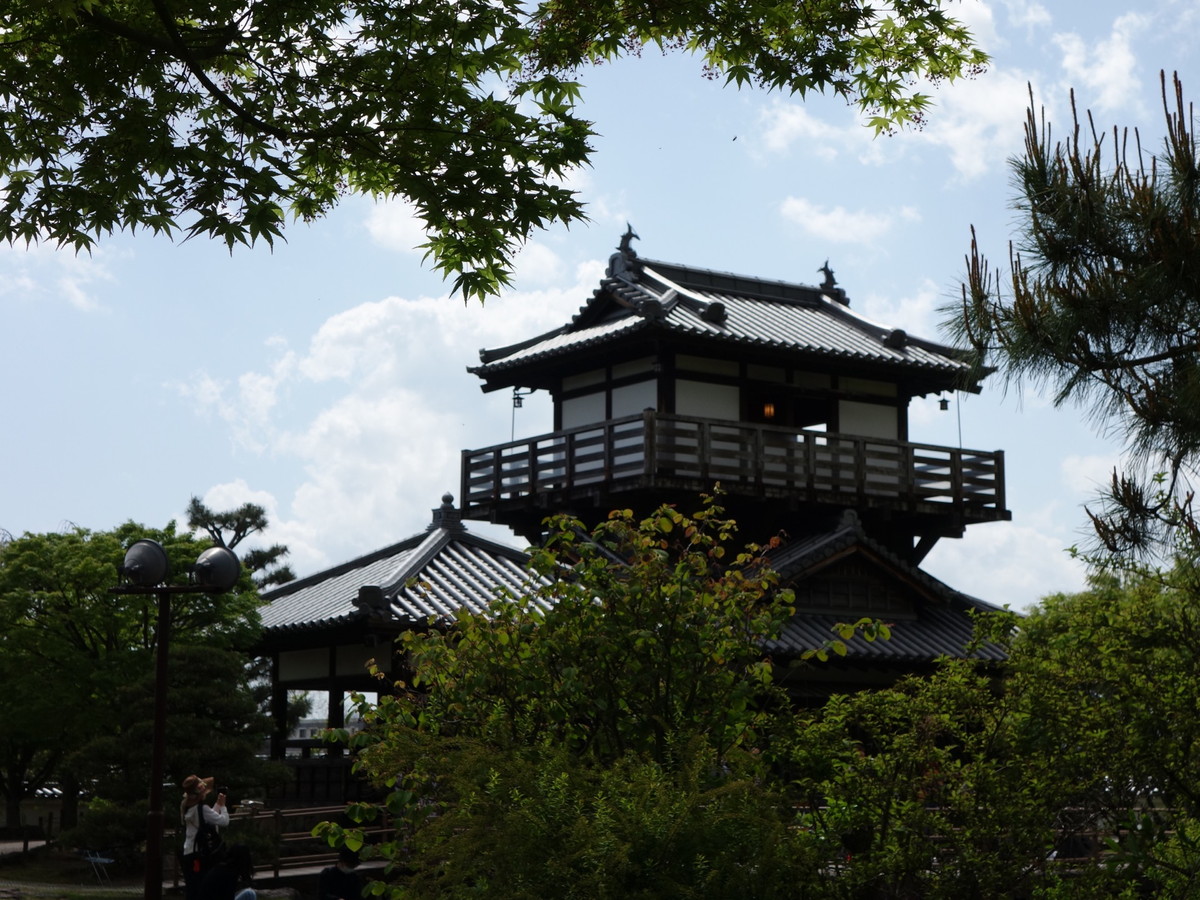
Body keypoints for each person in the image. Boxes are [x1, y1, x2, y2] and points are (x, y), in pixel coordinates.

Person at [180, 775, 230, 900]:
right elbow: (224, 821)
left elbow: (206, 819)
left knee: (192, 888)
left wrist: (217, 805)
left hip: (188, 852)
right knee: (202, 888)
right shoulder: (202, 808)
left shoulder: (187, 808)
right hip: (200, 854)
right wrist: (223, 806)